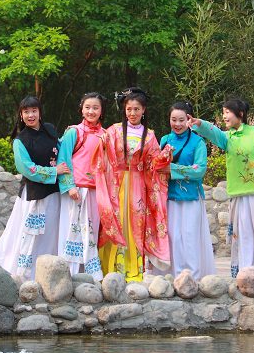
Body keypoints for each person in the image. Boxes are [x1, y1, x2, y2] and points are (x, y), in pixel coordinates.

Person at [188, 98, 254, 283]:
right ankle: (247, 273)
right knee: (245, 237)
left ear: (240, 114)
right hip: (240, 196)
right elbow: (214, 133)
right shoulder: (227, 138)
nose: (224, 116)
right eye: (223, 112)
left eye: (227, 112)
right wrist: (199, 123)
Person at [92, 87, 172, 282]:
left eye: (136, 109)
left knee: (135, 224)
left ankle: (132, 270)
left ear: (143, 110)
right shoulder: (114, 130)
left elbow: (153, 163)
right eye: (129, 109)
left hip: (138, 184)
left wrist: (163, 157)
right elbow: (101, 152)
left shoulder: (150, 135)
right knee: (115, 220)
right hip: (116, 183)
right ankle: (110, 268)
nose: (132, 113)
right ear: (124, 110)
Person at [0, 95, 70, 279]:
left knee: (51, 233)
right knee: (30, 235)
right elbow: (26, 168)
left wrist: (70, 135)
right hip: (34, 196)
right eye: (26, 112)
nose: (30, 115)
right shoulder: (20, 140)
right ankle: (24, 274)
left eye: (34, 110)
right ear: (21, 115)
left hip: (54, 193)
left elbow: (60, 148)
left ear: (40, 112)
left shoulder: (50, 129)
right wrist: (54, 171)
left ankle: (48, 274)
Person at [161, 101, 215, 280]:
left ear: (189, 120)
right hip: (170, 197)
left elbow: (199, 170)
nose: (177, 124)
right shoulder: (165, 140)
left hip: (191, 197)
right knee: (173, 238)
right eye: (173, 119)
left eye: (181, 120)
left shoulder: (198, 142)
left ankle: (193, 278)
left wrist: (172, 169)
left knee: (190, 237)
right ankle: (174, 277)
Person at [57, 92, 107, 280]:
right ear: (81, 109)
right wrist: (69, 186)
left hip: (96, 191)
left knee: (91, 231)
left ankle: (88, 275)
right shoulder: (74, 132)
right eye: (87, 107)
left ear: (101, 111)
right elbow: (63, 159)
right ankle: (68, 274)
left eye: (95, 108)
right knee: (72, 229)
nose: (91, 111)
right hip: (76, 190)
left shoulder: (106, 135)